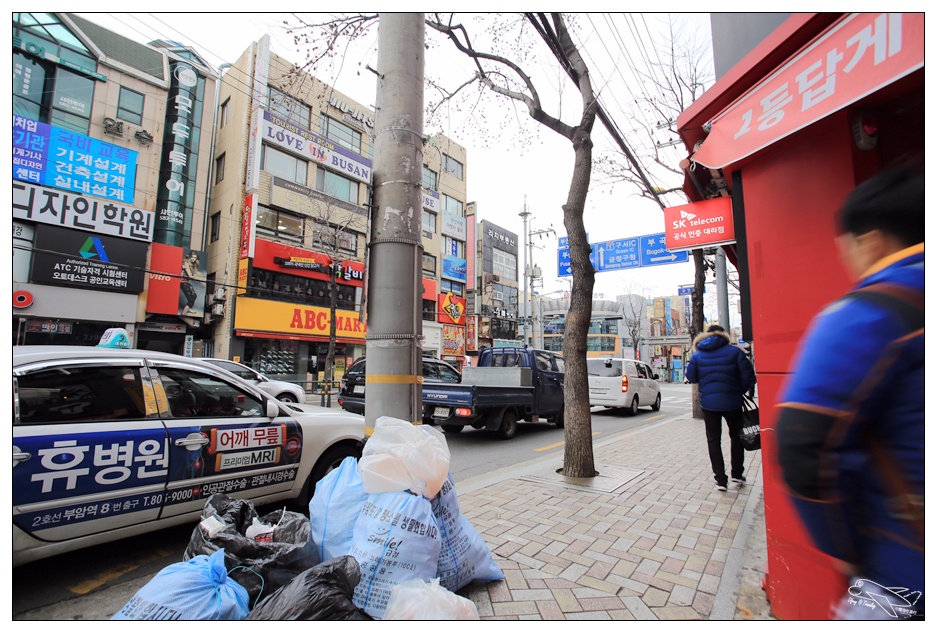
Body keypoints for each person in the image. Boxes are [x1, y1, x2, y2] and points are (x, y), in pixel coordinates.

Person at [775, 165, 923, 620]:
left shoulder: (864, 314)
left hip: (903, 564)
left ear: (871, 241)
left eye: (847, 249)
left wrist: (840, 544)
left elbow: (803, 440)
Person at [685, 324, 756, 492]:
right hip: (732, 402)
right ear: (723, 335)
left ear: (705, 336)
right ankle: (737, 473)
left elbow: (691, 377)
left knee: (713, 440)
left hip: (709, 404)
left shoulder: (698, 355)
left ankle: (720, 480)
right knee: (737, 437)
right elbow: (749, 377)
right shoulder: (735, 352)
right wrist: (737, 390)